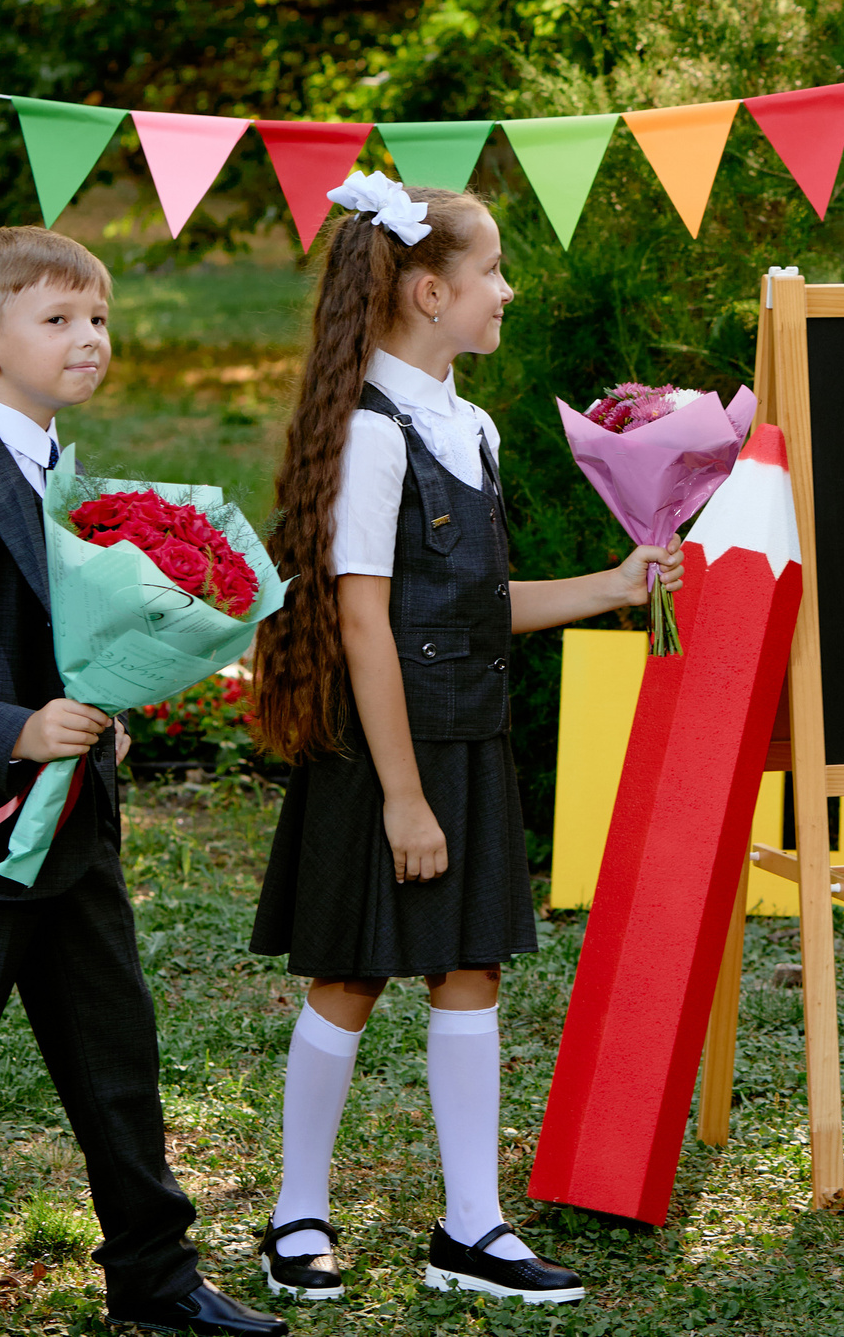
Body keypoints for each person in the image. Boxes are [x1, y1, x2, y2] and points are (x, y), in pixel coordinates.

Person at [0, 229, 285, 1337]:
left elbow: (83, 631)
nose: (91, 339)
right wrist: (20, 729)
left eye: (99, 319)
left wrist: (104, 719)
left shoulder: (73, 478)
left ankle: (154, 1277)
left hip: (74, 834)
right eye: (60, 321)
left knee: (116, 1057)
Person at [245, 174, 679, 1307]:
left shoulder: (470, 424)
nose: (507, 290)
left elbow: (475, 607)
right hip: (382, 753)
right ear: (430, 290)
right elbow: (361, 619)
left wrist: (618, 584)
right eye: (491, 271)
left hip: (467, 741)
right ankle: (297, 1215)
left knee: (470, 970)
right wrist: (400, 795)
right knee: (349, 976)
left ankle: (471, 1228)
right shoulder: (370, 430)